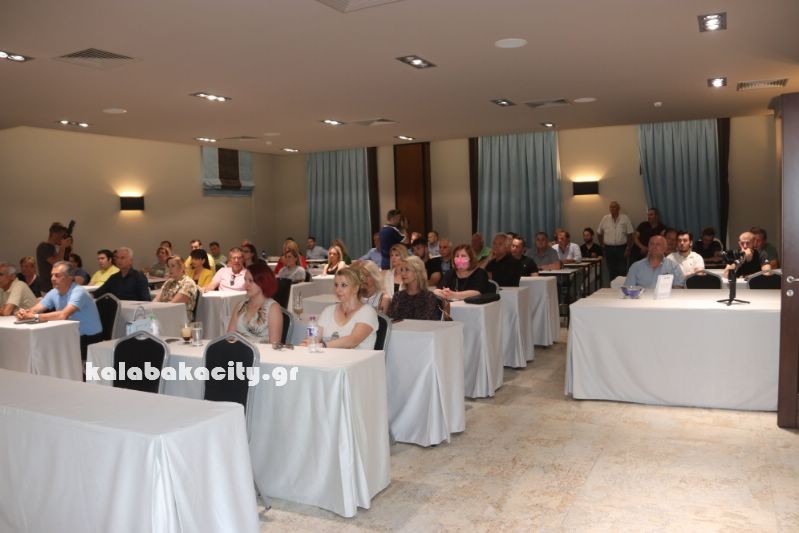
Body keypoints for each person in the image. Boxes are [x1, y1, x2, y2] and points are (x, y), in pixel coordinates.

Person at [16, 261, 102, 360]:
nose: (52, 278)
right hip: (69, 334)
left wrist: (35, 316)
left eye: (57, 275)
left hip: (89, 338)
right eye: (52, 275)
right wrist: (24, 313)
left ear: (70, 277)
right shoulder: (54, 292)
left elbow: (63, 315)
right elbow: (35, 310)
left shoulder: (79, 292)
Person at [307, 268, 378, 350]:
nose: (338, 290)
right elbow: (315, 335)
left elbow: (352, 340)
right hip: (329, 356)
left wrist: (323, 346)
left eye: (343, 285)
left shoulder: (368, 312)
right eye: (336, 285)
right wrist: (310, 342)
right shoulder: (328, 310)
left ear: (355, 288)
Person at [227, 263, 283, 344]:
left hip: (261, 351)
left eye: (251, 281)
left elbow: (274, 345)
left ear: (263, 282)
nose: (246, 285)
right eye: (245, 280)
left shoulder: (273, 308)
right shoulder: (240, 305)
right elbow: (229, 337)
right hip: (237, 350)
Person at [388, 256, 442, 320]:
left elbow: (428, 322)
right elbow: (392, 320)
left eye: (407, 269)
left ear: (417, 272)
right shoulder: (397, 296)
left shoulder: (429, 297)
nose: (403, 273)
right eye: (401, 270)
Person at [596, 201, 634, 282]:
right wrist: (602, 244)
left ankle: (621, 288)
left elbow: (630, 234)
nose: (612, 209)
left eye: (614, 207)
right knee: (612, 271)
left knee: (622, 270)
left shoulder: (625, 218)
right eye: (611, 207)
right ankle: (612, 288)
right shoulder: (605, 218)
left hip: (622, 248)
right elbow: (599, 233)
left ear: (618, 208)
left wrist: (628, 248)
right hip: (609, 248)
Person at [156, 255, 198, 322]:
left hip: (180, 320)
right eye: (168, 266)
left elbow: (173, 305)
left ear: (182, 267)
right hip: (165, 315)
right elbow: (156, 300)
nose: (170, 269)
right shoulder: (168, 282)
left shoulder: (188, 283)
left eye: (173, 266)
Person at [36, 222, 71, 293]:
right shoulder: (43, 247)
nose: (62, 238)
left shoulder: (54, 248)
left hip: (57, 286)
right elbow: (56, 263)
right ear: (54, 234)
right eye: (62, 236)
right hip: (48, 287)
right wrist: (63, 247)